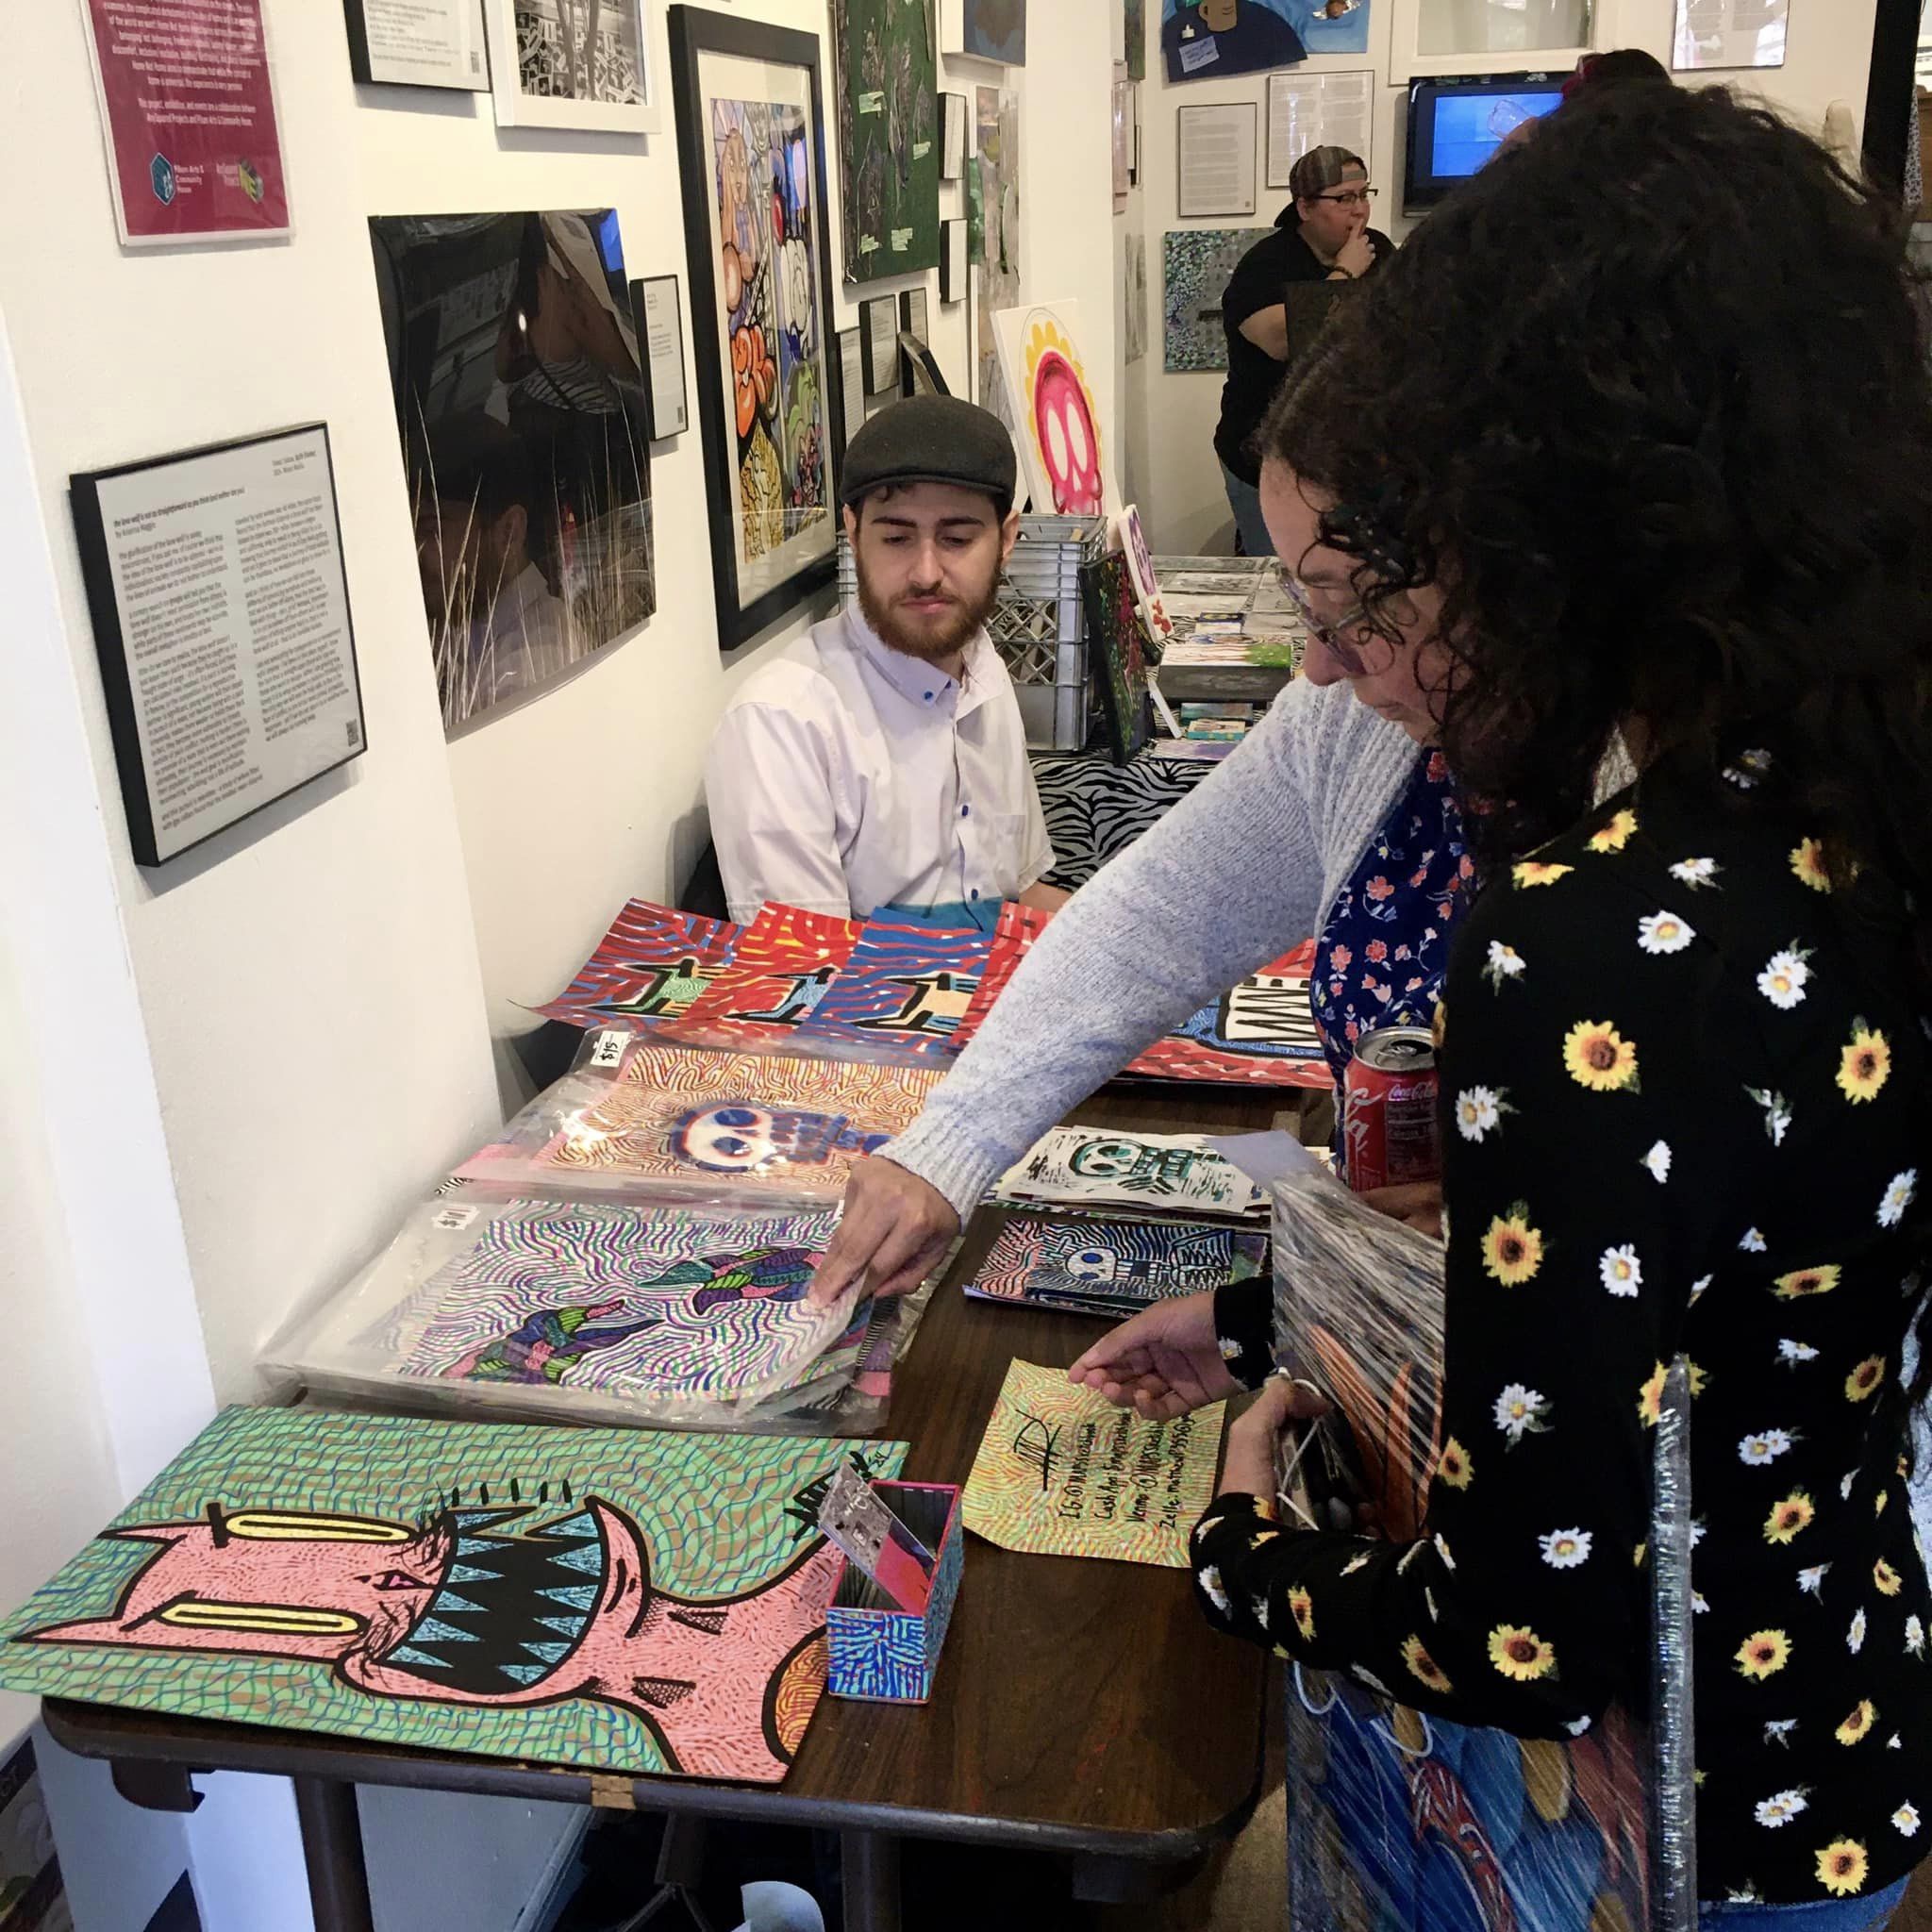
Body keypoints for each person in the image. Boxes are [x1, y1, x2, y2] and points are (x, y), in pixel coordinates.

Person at [847, 84, 1932, 1920]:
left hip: (1627, 1797)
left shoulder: (1587, 936)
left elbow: (1519, 1626)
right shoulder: (1831, 775)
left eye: (1358, 595)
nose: (1325, 660)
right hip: (1803, 1715)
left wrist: (1240, 1545)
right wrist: (1286, 1319)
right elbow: (1691, 1296)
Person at [705, 395, 1068, 932]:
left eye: (957, 539)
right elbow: (805, 965)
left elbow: (1019, 891)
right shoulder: (783, 722)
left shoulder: (981, 664)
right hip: (876, 987)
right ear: (853, 534)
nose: (926, 573)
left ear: (1007, 538)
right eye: (896, 538)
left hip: (1005, 968)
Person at [1214, 146, 1392, 557]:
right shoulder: (1266, 265)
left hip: (1348, 455)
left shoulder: (1378, 251)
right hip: (1265, 454)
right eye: (1343, 198)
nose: (1359, 210)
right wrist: (1345, 274)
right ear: (1305, 208)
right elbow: (1285, 342)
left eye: (1363, 195)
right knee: (1279, 572)